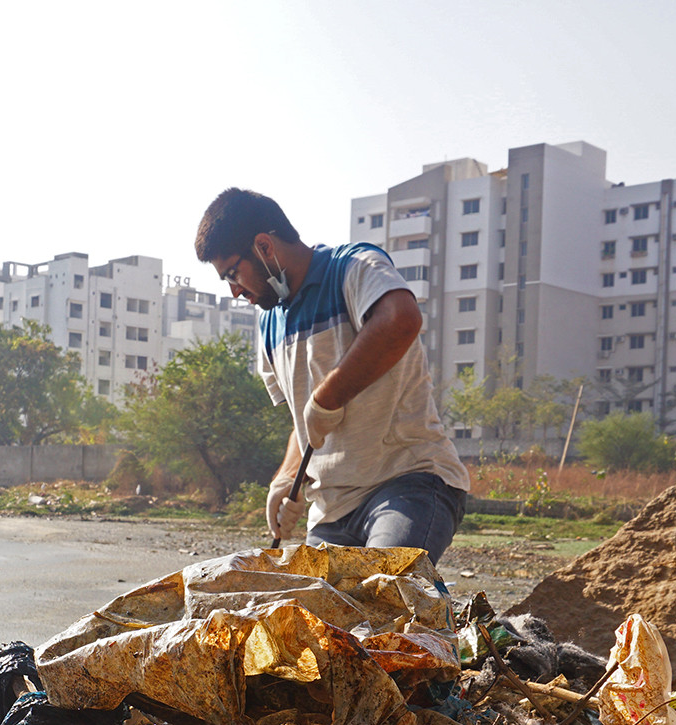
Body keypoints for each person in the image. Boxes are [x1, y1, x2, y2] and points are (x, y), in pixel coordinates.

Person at [194, 187, 470, 566]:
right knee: (315, 621)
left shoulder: (353, 268)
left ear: (263, 247)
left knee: (380, 595)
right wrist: (287, 478)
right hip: (332, 509)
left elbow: (399, 320)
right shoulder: (270, 324)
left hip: (408, 481)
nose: (234, 290)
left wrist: (327, 398)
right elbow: (304, 421)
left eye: (232, 273)